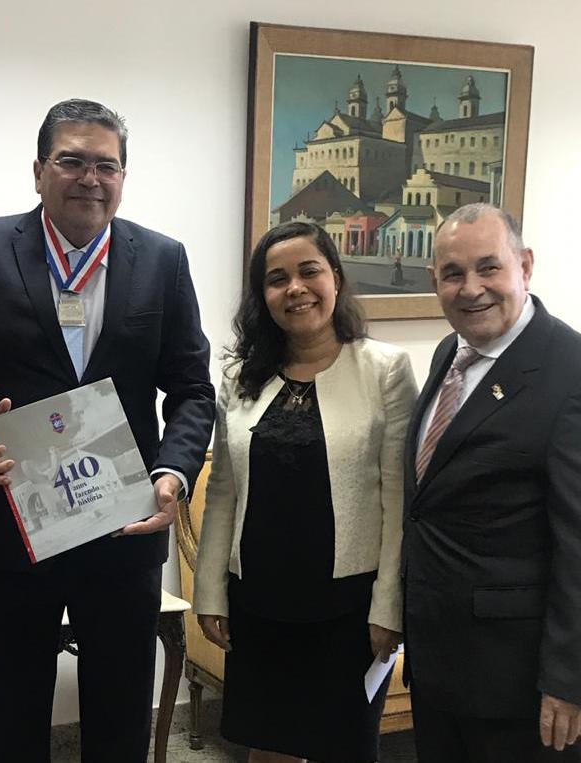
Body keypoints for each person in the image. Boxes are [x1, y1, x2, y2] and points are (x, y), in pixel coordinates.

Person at [0, 98, 215, 763]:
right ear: (38, 171)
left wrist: (172, 472)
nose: (90, 178)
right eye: (71, 161)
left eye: (106, 165)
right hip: (14, 527)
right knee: (16, 715)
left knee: (120, 718)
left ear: (123, 176)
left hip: (123, 526)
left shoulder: (162, 260)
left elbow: (192, 390)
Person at [402, 203, 581, 762]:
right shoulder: (451, 353)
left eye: (489, 267)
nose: (471, 288)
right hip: (441, 664)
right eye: (453, 273)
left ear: (525, 266)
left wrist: (572, 680)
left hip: (521, 684)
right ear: (434, 280)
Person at [193, 221, 418, 763]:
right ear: (263, 295)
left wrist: (389, 605)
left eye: (308, 271)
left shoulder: (385, 370)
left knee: (343, 747)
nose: (295, 288)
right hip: (259, 602)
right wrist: (210, 593)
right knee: (268, 747)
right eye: (277, 279)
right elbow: (222, 490)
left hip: (349, 609)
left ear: (335, 277)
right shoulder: (240, 376)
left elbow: (400, 501)